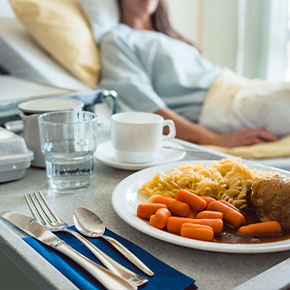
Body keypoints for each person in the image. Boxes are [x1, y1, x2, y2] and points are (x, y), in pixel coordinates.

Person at [99, 0, 280, 147]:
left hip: (238, 86)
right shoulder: (117, 39)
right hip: (217, 104)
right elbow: (144, 104)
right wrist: (215, 140)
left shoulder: (170, 36)